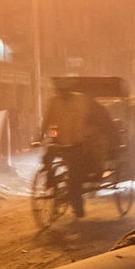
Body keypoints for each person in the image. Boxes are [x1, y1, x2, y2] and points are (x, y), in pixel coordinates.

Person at [42, 81, 92, 217]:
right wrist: (41, 136)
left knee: (75, 177)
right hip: (59, 142)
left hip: (76, 143)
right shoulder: (54, 102)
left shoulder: (79, 100)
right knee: (47, 160)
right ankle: (51, 183)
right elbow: (47, 120)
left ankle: (77, 206)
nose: (62, 94)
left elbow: (86, 118)